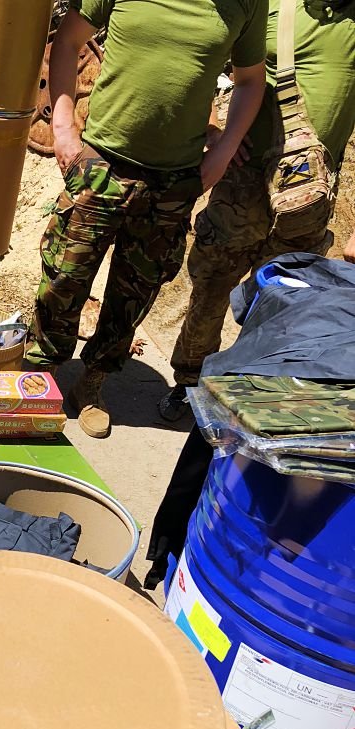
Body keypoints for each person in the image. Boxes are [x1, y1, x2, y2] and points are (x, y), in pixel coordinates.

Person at [25, 0, 268, 438]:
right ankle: (38, 375)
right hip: (101, 162)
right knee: (64, 276)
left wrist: (226, 148)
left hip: (174, 180)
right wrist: (62, 127)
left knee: (134, 292)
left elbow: (250, 80)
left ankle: (92, 383)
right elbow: (68, 40)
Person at [161, 0, 355, 421]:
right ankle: (190, 382)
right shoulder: (270, 6)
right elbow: (202, 56)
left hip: (310, 193)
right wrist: (214, 128)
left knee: (287, 298)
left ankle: (253, 392)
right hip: (242, 181)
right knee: (212, 284)